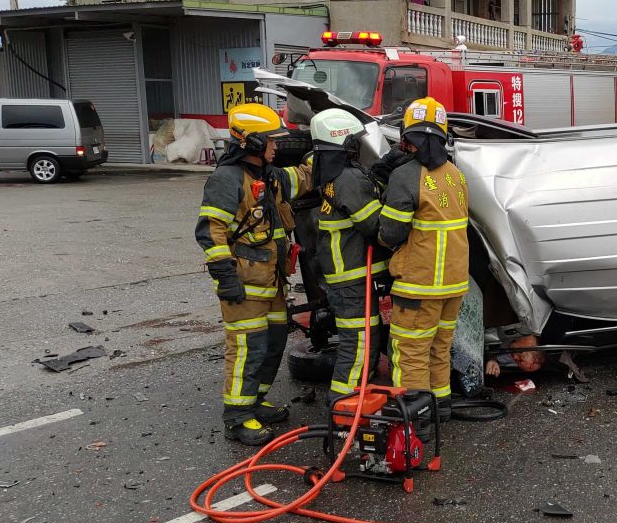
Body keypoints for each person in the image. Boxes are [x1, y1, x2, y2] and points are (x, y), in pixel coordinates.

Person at [195, 103, 313, 445]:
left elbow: (301, 178)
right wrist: (225, 277)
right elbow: (211, 231)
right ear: (254, 142)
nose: (277, 146)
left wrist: (326, 153)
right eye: (272, 140)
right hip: (244, 284)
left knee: (273, 344)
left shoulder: (268, 176)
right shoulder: (227, 179)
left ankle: (254, 402)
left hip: (271, 283)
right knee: (248, 349)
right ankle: (237, 416)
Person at [378, 97, 470, 420]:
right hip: (453, 285)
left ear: (408, 137)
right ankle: (440, 408)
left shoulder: (405, 176)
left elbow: (390, 233)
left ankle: (415, 421)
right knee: (439, 348)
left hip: (419, 285)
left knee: (411, 352)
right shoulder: (456, 174)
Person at [307, 108, 390, 401]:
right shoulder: (348, 179)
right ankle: (342, 405)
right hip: (353, 278)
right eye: (354, 140)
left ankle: (358, 401)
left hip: (346, 278)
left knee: (364, 339)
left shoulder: (334, 176)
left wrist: (379, 175)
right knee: (358, 345)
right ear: (343, 142)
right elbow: (375, 225)